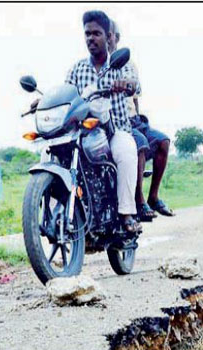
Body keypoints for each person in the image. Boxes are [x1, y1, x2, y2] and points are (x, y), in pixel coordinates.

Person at [65, 10, 141, 233]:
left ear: (108, 36)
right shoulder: (78, 68)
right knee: (53, 155)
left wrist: (126, 84)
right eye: (87, 34)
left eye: (96, 33)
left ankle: (127, 213)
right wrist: (43, 100)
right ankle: (57, 216)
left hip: (114, 129)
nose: (91, 38)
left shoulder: (120, 64)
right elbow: (66, 91)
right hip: (82, 131)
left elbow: (135, 84)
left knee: (127, 153)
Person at [107, 19, 174, 220]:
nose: (105, 40)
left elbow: (134, 95)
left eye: (108, 35)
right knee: (139, 145)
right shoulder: (94, 66)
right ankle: (139, 200)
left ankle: (153, 196)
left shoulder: (126, 64)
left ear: (116, 38)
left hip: (134, 120)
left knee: (163, 141)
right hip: (116, 123)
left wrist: (138, 117)